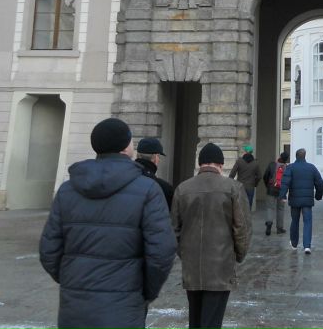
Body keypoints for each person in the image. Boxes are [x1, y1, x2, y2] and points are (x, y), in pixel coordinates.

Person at [39, 118, 176, 329]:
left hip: (75, 307)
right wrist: (145, 291)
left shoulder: (67, 190)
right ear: (126, 147)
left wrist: (72, 280)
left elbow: (49, 250)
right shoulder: (148, 189)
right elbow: (162, 252)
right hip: (124, 306)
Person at [172, 142, 252, 329]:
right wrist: (238, 255)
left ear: (200, 164)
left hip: (192, 266)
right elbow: (242, 228)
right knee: (212, 322)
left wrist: (185, 254)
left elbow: (174, 230)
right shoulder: (233, 188)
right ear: (221, 165)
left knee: (195, 320)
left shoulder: (182, 189)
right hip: (220, 265)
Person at [279, 147, 323, 253]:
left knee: (295, 220)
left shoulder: (291, 167)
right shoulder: (311, 168)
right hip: (307, 200)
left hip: (295, 199)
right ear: (304, 156)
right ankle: (307, 246)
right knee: (307, 221)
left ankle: (294, 243)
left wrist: (282, 195)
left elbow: (285, 182)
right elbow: (319, 182)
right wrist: (318, 195)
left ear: (296, 156)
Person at [134, 136, 174, 210]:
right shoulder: (164, 188)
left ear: (137, 155)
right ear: (155, 157)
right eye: (159, 157)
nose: (159, 160)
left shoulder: (124, 179)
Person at [262, 150, 289, 236]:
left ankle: (269, 224)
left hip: (271, 189)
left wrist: (268, 186)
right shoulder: (287, 168)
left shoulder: (272, 164)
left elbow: (265, 176)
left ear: (280, 156)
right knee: (280, 209)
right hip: (282, 191)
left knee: (270, 207)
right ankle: (279, 228)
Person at [228, 144, 261, 210]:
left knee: (239, 206)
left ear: (245, 152)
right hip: (250, 187)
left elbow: (232, 174)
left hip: (240, 186)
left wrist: (231, 185)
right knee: (248, 206)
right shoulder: (255, 163)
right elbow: (259, 176)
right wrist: (255, 184)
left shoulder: (239, 161)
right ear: (251, 152)